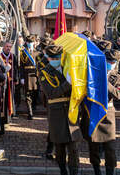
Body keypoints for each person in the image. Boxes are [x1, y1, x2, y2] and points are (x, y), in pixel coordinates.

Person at [39, 44, 82, 175]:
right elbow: (51, 93)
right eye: (53, 58)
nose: (56, 60)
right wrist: (67, 83)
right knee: (60, 147)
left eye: (58, 57)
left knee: (74, 147)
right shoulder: (44, 72)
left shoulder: (67, 68)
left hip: (71, 112)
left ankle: (74, 172)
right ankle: (63, 171)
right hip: (56, 114)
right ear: (49, 58)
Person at [81, 49, 120, 175]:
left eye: (113, 61)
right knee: (93, 145)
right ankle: (96, 170)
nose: (110, 63)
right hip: (94, 112)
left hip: (108, 114)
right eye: (108, 61)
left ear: (116, 62)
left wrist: (105, 82)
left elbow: (118, 95)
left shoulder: (118, 77)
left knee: (110, 148)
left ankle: (110, 171)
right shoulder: (93, 73)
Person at [20, 35, 39, 120]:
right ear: (26, 43)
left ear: (34, 43)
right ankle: (30, 112)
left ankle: (34, 107)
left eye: (32, 42)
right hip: (27, 75)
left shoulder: (37, 52)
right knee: (27, 94)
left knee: (35, 93)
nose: (30, 44)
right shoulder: (23, 53)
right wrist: (22, 77)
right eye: (29, 42)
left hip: (35, 75)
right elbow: (21, 66)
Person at [0, 41, 19, 118]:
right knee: (4, 96)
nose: (8, 48)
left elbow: (16, 68)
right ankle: (5, 114)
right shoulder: (0, 56)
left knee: (12, 96)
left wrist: (16, 79)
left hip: (11, 81)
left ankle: (12, 113)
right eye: (7, 46)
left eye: (10, 47)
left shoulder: (13, 56)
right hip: (3, 81)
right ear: (4, 47)